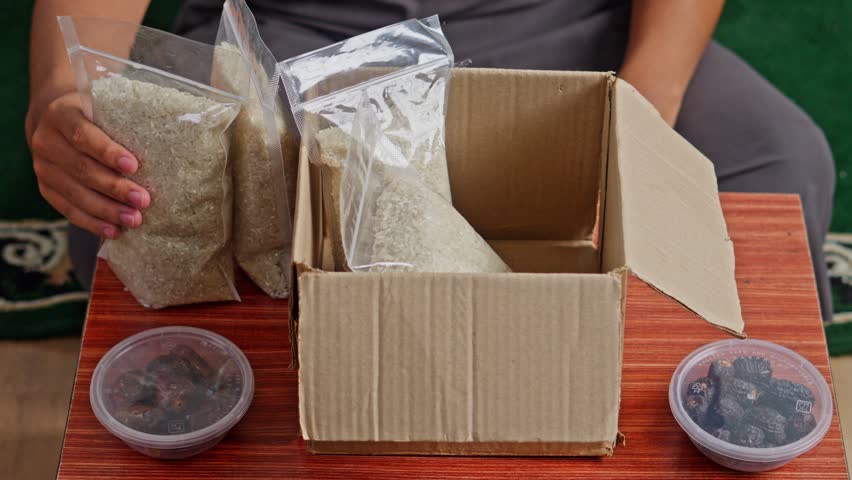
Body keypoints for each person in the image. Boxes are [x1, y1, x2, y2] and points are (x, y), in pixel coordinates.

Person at [26, 0, 835, 321]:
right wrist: (64, 98)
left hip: (565, 26)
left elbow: (658, 107)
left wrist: (647, 101)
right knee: (131, 202)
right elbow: (77, 93)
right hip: (298, 32)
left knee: (776, 167)